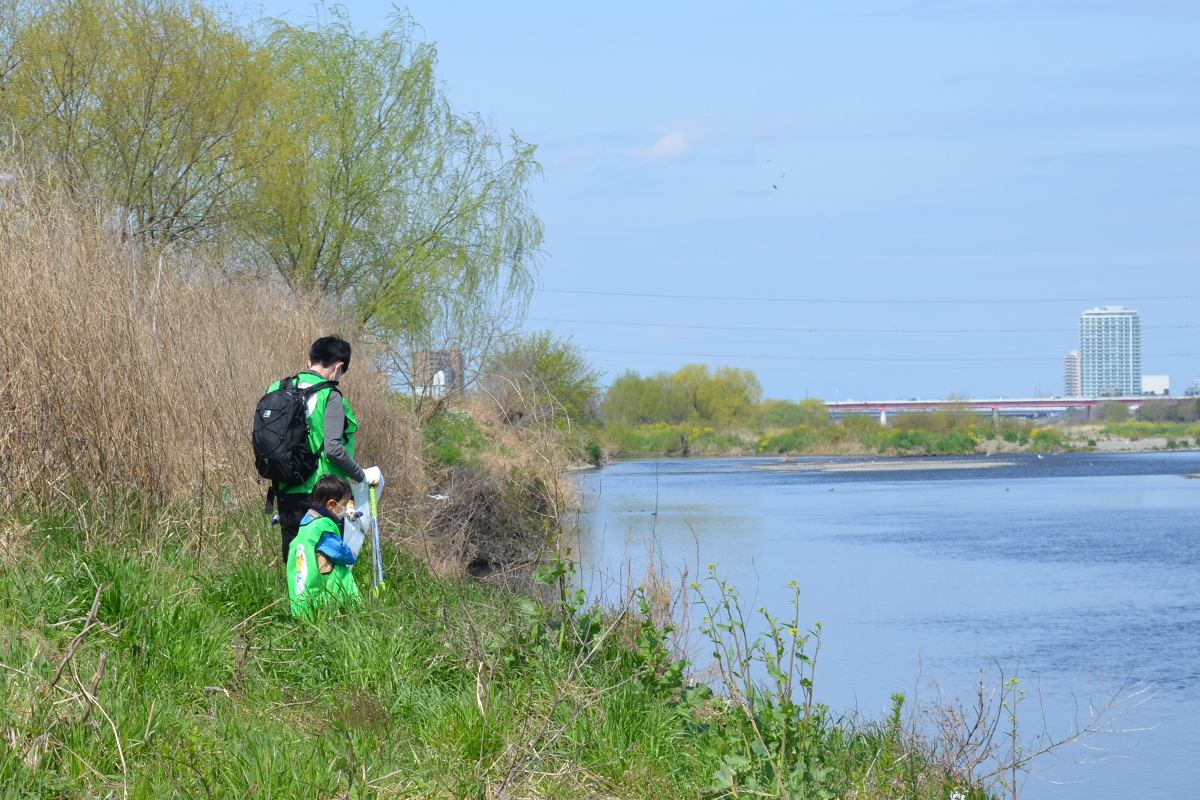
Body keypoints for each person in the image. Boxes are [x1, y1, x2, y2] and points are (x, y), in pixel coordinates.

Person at [268, 336, 382, 564]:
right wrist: (361, 475)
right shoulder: (329, 395)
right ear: (339, 366)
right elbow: (333, 449)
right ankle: (325, 603)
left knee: (295, 565)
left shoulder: (277, 389)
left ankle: (295, 602)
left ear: (309, 362)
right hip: (323, 495)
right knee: (323, 568)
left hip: (285, 489)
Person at [287, 475, 361, 617]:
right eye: (344, 505)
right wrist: (351, 555)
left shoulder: (306, 523)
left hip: (302, 594)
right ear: (331, 504)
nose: (345, 510)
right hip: (320, 602)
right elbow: (338, 551)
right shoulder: (322, 527)